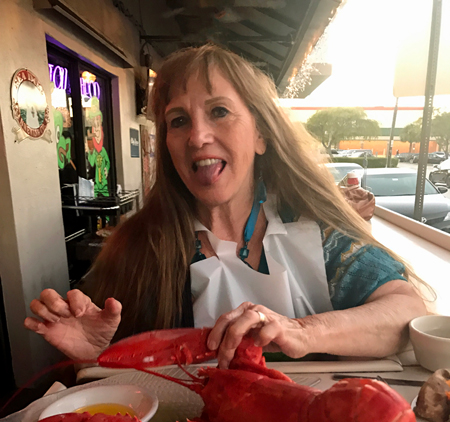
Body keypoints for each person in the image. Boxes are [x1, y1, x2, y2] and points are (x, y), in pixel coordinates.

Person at [25, 44, 427, 369]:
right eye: (178, 121)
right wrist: (95, 357)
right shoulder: (136, 248)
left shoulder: (319, 236)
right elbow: (118, 383)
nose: (198, 136)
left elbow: (405, 310)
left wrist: (302, 332)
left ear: (261, 135)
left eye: (219, 111)